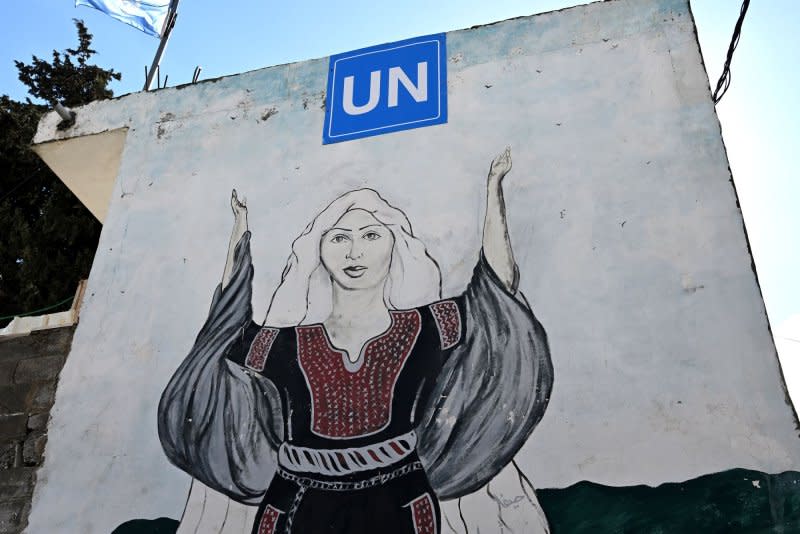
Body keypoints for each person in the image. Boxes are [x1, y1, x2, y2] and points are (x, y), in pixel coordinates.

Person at [157, 148, 553, 534]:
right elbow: (227, 329)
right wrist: (238, 234)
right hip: (296, 505)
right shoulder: (287, 344)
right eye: (339, 238)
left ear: (394, 246)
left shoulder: (426, 326)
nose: (354, 251)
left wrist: (493, 190)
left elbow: (494, 295)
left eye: (370, 235)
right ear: (320, 251)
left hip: (399, 502)